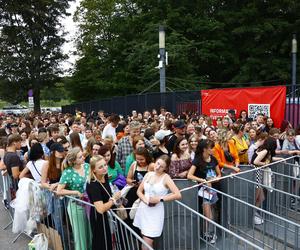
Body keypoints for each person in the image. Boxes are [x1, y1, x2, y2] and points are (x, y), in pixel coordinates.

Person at [133, 155, 181, 249]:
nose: (158, 167)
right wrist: (146, 200)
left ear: (165, 168)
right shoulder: (148, 174)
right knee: (145, 241)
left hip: (155, 213)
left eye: (161, 166)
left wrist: (159, 199)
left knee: (146, 244)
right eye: (158, 163)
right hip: (143, 210)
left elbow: (178, 194)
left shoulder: (166, 178)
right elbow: (139, 191)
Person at [57, 147, 92, 250]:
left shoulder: (87, 166)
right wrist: (75, 192)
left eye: (83, 155)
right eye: (80, 157)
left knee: (90, 233)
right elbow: (59, 191)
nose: (83, 158)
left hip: (89, 205)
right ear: (73, 160)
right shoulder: (68, 172)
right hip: (76, 206)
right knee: (80, 236)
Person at [187, 140, 221, 244]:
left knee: (214, 212)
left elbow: (219, 174)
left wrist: (215, 179)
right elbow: (189, 175)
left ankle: (210, 232)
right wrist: (203, 181)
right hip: (203, 191)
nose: (213, 149)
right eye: (211, 147)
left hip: (213, 190)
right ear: (204, 149)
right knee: (208, 215)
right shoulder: (197, 160)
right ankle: (206, 233)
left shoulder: (214, 159)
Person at [86, 155, 121, 250]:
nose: (105, 168)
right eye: (100, 167)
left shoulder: (105, 176)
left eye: (105, 165)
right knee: (101, 244)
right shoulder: (93, 185)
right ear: (94, 170)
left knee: (109, 242)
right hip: (99, 218)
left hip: (108, 216)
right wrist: (114, 199)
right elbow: (100, 209)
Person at [252, 137, 282, 225]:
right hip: (255, 174)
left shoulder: (266, 151)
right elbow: (255, 161)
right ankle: (251, 213)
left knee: (261, 198)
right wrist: (265, 164)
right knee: (256, 197)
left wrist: (280, 159)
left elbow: (270, 159)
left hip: (258, 174)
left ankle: (253, 212)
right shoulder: (265, 151)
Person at [40, 142, 66, 244]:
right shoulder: (47, 164)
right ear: (53, 152)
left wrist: (58, 184)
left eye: (62, 150)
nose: (61, 153)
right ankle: (61, 243)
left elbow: (68, 179)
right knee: (58, 221)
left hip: (66, 193)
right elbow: (42, 182)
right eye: (59, 151)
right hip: (54, 196)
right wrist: (51, 186)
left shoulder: (65, 162)